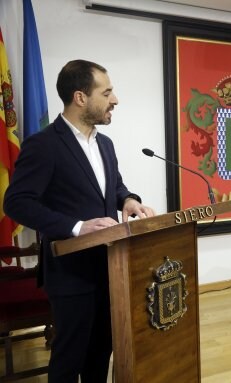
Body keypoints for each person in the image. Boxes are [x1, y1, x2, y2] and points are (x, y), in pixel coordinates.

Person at [4, 59, 156, 382]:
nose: (115, 100)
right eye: (108, 92)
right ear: (80, 97)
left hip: (112, 267)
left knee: (101, 354)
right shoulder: (43, 145)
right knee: (69, 360)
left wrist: (128, 199)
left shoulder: (105, 144)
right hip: (71, 275)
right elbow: (16, 202)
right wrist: (77, 227)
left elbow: (112, 187)